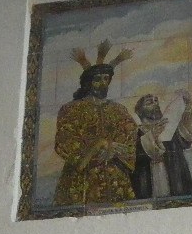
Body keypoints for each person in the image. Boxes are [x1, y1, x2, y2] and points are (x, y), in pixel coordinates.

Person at [53, 41, 137, 207]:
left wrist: (113, 147)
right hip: (82, 179)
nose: (103, 83)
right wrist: (97, 146)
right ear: (88, 83)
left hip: (115, 177)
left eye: (106, 79)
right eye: (97, 79)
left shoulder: (119, 110)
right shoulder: (72, 109)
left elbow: (130, 133)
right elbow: (65, 139)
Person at [131, 90, 192, 199]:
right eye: (149, 102)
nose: (155, 104)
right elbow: (133, 157)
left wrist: (186, 109)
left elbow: (186, 142)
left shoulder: (168, 127)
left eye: (156, 101)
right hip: (149, 183)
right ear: (140, 111)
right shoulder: (135, 132)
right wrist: (152, 135)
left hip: (176, 181)